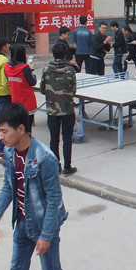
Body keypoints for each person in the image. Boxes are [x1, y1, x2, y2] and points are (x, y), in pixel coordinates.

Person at [0, 103, 68, 270]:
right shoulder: (9, 152)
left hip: (44, 225)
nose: (0, 137)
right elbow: (8, 187)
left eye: (4, 131)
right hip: (22, 223)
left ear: (20, 129)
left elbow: (54, 200)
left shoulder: (44, 158)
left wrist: (46, 235)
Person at [41, 43, 77, 176]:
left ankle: (56, 166)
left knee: (54, 139)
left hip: (52, 110)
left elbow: (43, 90)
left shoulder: (46, 70)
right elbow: (73, 90)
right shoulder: (71, 70)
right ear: (65, 55)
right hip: (67, 110)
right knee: (67, 138)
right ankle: (67, 167)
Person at [5, 44, 38, 134]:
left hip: (15, 101)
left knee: (18, 128)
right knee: (27, 129)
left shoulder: (6, 67)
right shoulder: (26, 69)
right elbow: (33, 82)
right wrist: (32, 70)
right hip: (27, 101)